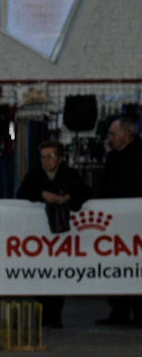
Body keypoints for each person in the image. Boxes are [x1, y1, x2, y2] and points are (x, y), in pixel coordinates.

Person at [16, 139, 91, 328]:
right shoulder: (34, 175)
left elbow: (86, 192)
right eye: (43, 157)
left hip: (63, 238)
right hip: (38, 237)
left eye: (50, 156)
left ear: (60, 158)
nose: (46, 161)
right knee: (39, 274)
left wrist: (68, 197)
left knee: (58, 273)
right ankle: (43, 315)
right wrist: (42, 194)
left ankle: (54, 316)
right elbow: (21, 194)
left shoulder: (71, 175)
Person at [95, 116, 142, 326]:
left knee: (137, 266)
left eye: (113, 134)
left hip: (137, 221)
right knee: (115, 265)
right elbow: (104, 185)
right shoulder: (112, 157)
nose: (111, 138)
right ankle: (119, 311)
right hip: (114, 221)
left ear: (126, 134)